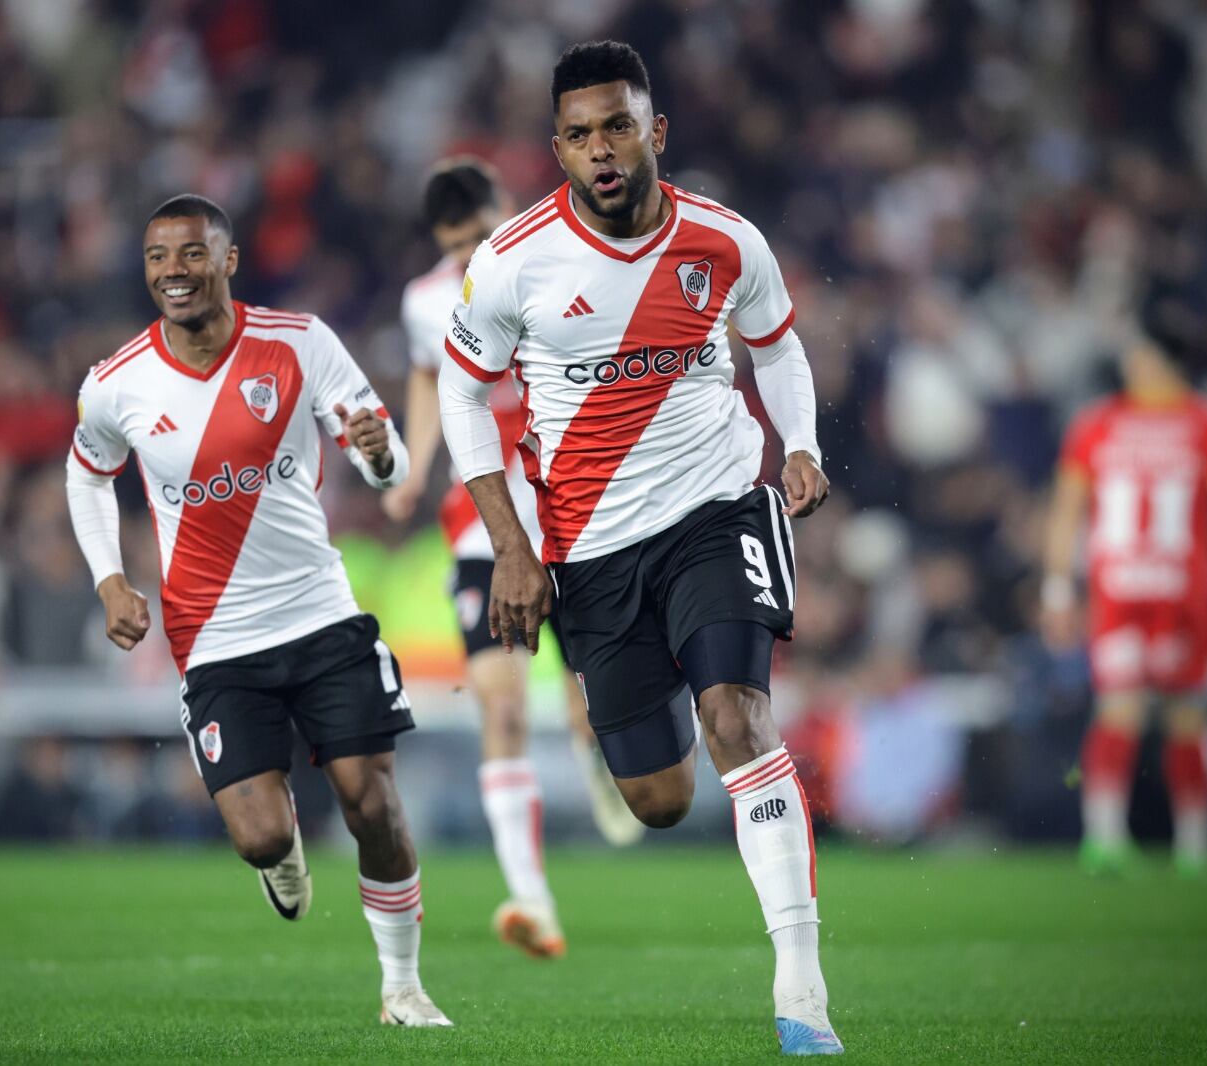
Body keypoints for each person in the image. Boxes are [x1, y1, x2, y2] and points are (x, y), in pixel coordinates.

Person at [436, 42, 841, 1056]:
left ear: (654, 131)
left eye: (617, 126)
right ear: (558, 148)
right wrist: (511, 547)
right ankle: (628, 708)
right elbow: (460, 393)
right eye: (578, 134)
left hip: (717, 509)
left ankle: (802, 995)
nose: (600, 149)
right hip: (588, 549)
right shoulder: (514, 261)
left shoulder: (724, 241)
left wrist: (798, 444)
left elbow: (777, 345)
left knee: (737, 718)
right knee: (658, 800)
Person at [65, 194, 451, 1027]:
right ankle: (282, 863)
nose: (174, 272)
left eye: (193, 254)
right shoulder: (117, 383)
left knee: (373, 800)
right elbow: (87, 474)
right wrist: (108, 578)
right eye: (158, 258)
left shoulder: (300, 342)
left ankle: (403, 987)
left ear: (229, 260)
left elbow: (383, 458)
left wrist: (384, 458)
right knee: (261, 837)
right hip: (214, 640)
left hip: (320, 615)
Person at [385, 157, 646, 960]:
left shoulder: (558, 262)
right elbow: (431, 379)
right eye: (455, 244)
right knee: (498, 706)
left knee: (587, 705)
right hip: (483, 523)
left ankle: (597, 743)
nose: (470, 256)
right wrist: (414, 464)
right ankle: (531, 899)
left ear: (507, 210)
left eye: (480, 235)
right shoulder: (427, 302)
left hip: (573, 515)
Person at [1042, 305, 1207, 877]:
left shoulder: (1097, 424)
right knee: (1179, 714)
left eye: (1135, 348)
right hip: (1178, 589)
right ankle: (1189, 847)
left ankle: (1109, 838)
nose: (1127, 359)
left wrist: (1056, 589)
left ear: (1155, 355)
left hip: (1124, 587)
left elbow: (1066, 514)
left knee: (1133, 710)